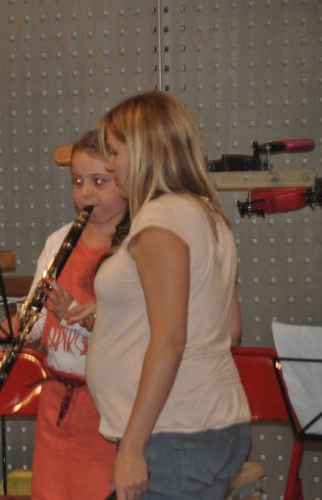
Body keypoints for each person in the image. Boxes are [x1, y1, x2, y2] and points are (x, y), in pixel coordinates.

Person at [87, 90, 251, 499]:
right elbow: (230, 328)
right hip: (210, 424)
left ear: (145, 150)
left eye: (115, 151)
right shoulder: (208, 214)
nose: (109, 163)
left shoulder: (159, 219)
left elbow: (170, 339)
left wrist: (132, 446)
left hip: (172, 434)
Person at [14, 130, 128, 500]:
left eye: (99, 182)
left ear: (125, 178)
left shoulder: (136, 246)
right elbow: (37, 320)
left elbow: (137, 336)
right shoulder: (59, 241)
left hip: (106, 409)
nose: (85, 194)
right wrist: (16, 328)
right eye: (77, 182)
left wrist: (83, 319)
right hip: (56, 402)